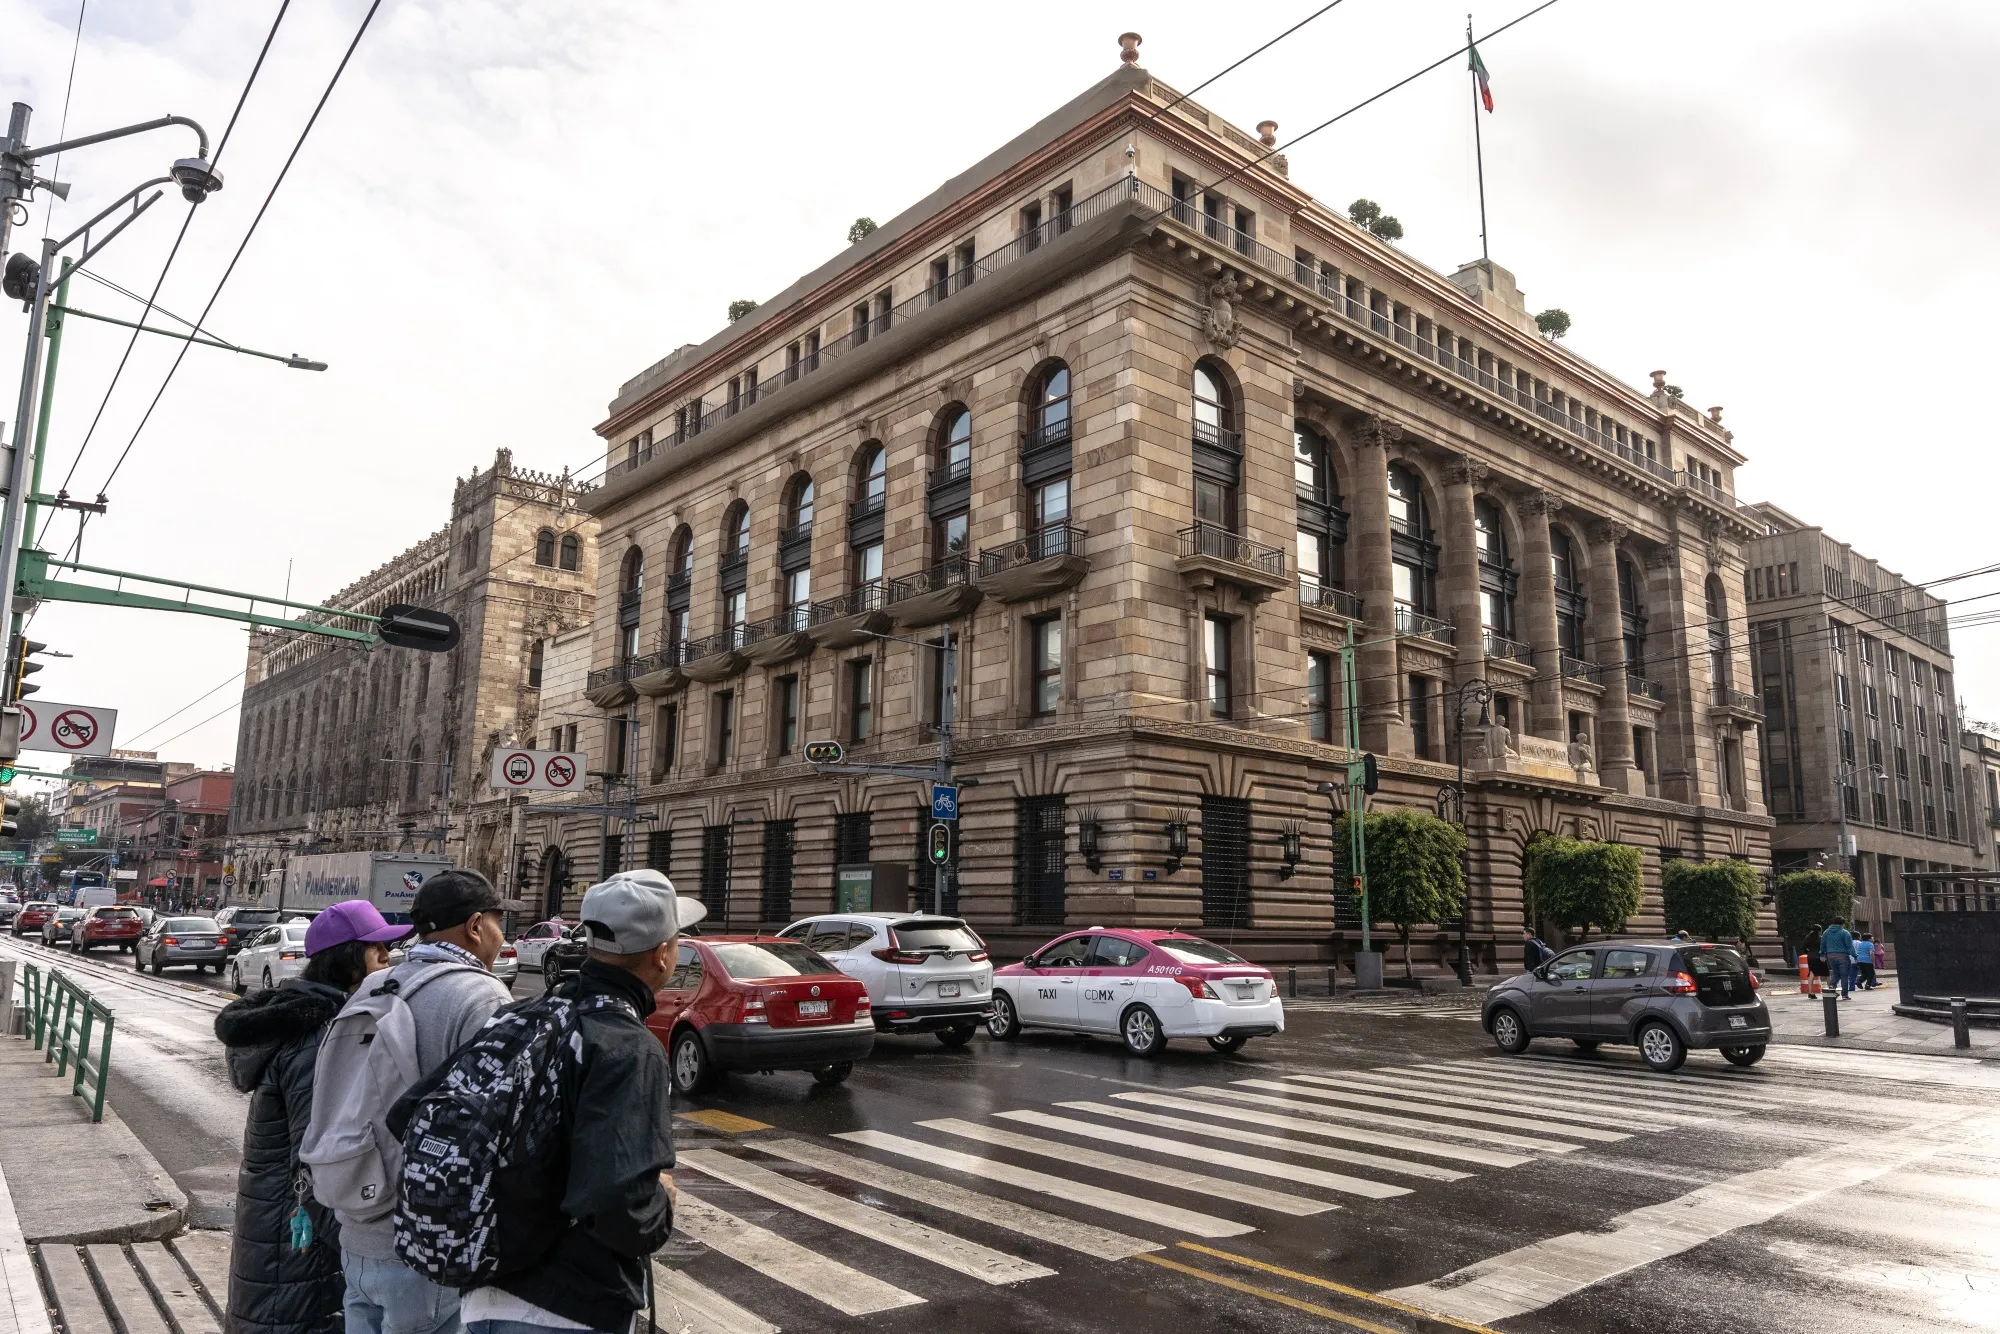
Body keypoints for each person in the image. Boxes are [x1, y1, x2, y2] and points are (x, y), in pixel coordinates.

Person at [458, 869, 700, 1334]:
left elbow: (409, 1114)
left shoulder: (521, 1015)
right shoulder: (627, 1045)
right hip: (568, 1307)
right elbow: (619, 1208)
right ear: (664, 953)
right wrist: (661, 1203)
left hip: (484, 1296)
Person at [215, 901, 409, 1334]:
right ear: (349, 960)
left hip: (277, 1233)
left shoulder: (304, 1020)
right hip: (298, 1247)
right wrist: (361, 1244)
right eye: (378, 951)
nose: (388, 960)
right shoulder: (317, 1036)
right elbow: (319, 1158)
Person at [337, 870, 514, 1334]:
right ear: (476, 926)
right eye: (499, 922)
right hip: (426, 1245)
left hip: (357, 1224)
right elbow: (497, 1125)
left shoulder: (376, 985)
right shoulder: (480, 996)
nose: (503, 936)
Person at [1820, 918, 1856, 999]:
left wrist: (1822, 954)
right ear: (1842, 924)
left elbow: (1822, 944)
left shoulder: (1826, 932)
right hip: (1842, 956)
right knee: (1844, 976)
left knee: (1835, 973)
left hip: (1830, 956)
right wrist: (1855, 955)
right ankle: (1844, 995)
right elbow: (1850, 946)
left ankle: (1832, 986)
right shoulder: (1845, 933)